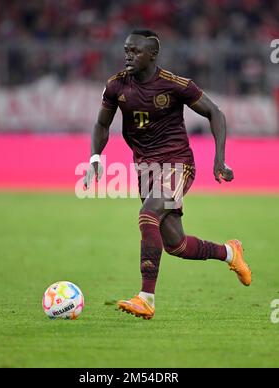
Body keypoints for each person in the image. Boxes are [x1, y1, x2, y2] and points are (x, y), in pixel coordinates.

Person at [83, 29, 251, 320]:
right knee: (177, 245)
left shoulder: (174, 85)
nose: (128, 55)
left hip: (177, 164)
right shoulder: (115, 86)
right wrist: (95, 156)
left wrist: (219, 159)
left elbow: (215, 113)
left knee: (147, 214)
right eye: (126, 50)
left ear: (152, 55)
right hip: (145, 169)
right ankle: (229, 252)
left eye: (135, 51)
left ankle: (146, 298)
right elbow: (101, 124)